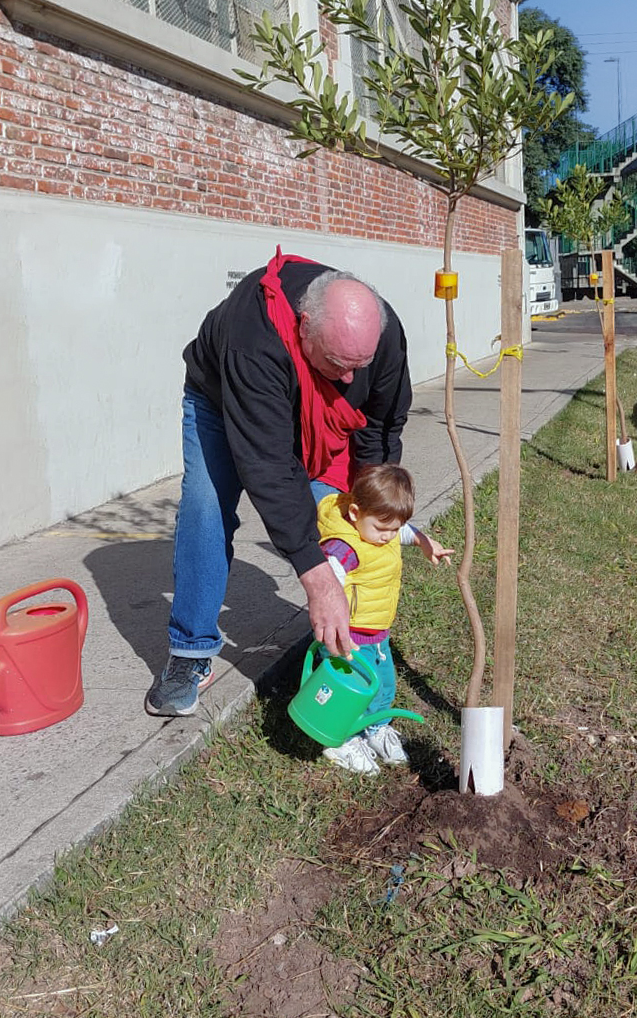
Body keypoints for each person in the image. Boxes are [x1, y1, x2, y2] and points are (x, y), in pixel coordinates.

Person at [145, 247, 412, 717]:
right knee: (207, 508)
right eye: (338, 363)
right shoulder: (253, 339)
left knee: (339, 514)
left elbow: (381, 424)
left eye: (360, 365)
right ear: (303, 325)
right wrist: (318, 578)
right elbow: (268, 466)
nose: (351, 378)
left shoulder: (380, 335)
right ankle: (190, 652)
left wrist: (373, 504)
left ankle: (341, 642)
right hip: (221, 398)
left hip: (301, 405)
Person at [317, 464, 453, 775]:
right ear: (354, 513)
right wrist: (336, 635)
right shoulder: (343, 549)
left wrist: (424, 541)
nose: (389, 536)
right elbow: (327, 591)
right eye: (383, 528)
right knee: (348, 690)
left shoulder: (382, 529)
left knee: (382, 685)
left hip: (377, 632)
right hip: (347, 635)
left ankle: (375, 728)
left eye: (395, 528)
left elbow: (404, 530)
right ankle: (342, 739)